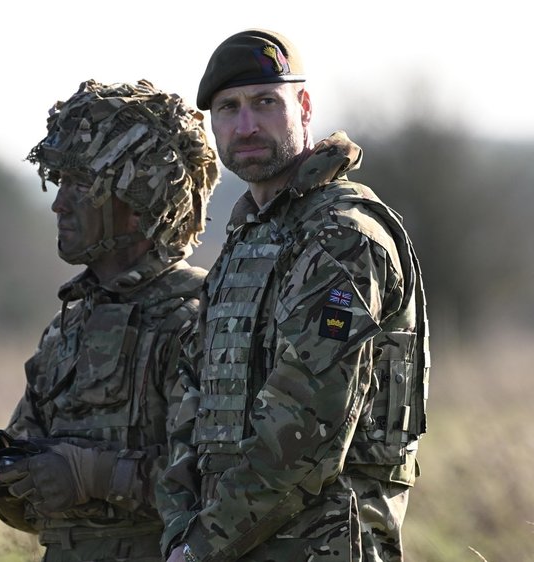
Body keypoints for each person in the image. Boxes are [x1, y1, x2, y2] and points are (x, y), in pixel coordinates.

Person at [157, 29, 431, 562]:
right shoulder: (248, 239)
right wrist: (180, 531)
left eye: (265, 102)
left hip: (322, 545)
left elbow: (307, 429)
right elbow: (191, 404)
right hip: (231, 542)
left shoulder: (343, 237)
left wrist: (199, 547)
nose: (246, 125)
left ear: (303, 106)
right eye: (228, 109)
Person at [0, 79, 219, 561]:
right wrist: (3, 478)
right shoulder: (66, 331)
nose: (59, 204)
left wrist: (89, 474)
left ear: (140, 200)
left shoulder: (197, 322)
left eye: (80, 185)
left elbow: (225, 489)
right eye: (60, 184)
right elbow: (37, 510)